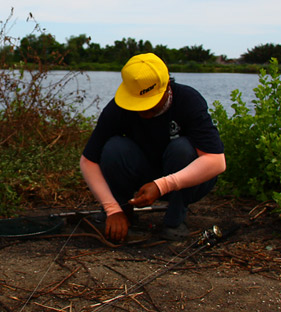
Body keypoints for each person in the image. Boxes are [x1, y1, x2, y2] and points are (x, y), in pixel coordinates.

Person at [80, 53, 226, 243]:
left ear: (166, 87)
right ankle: (122, 214)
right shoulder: (118, 108)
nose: (144, 110)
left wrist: (162, 185)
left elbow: (217, 161)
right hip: (142, 176)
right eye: (138, 104)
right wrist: (111, 209)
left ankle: (174, 221)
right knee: (114, 147)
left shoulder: (188, 100)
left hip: (184, 181)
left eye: (150, 103)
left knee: (182, 148)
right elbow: (88, 161)